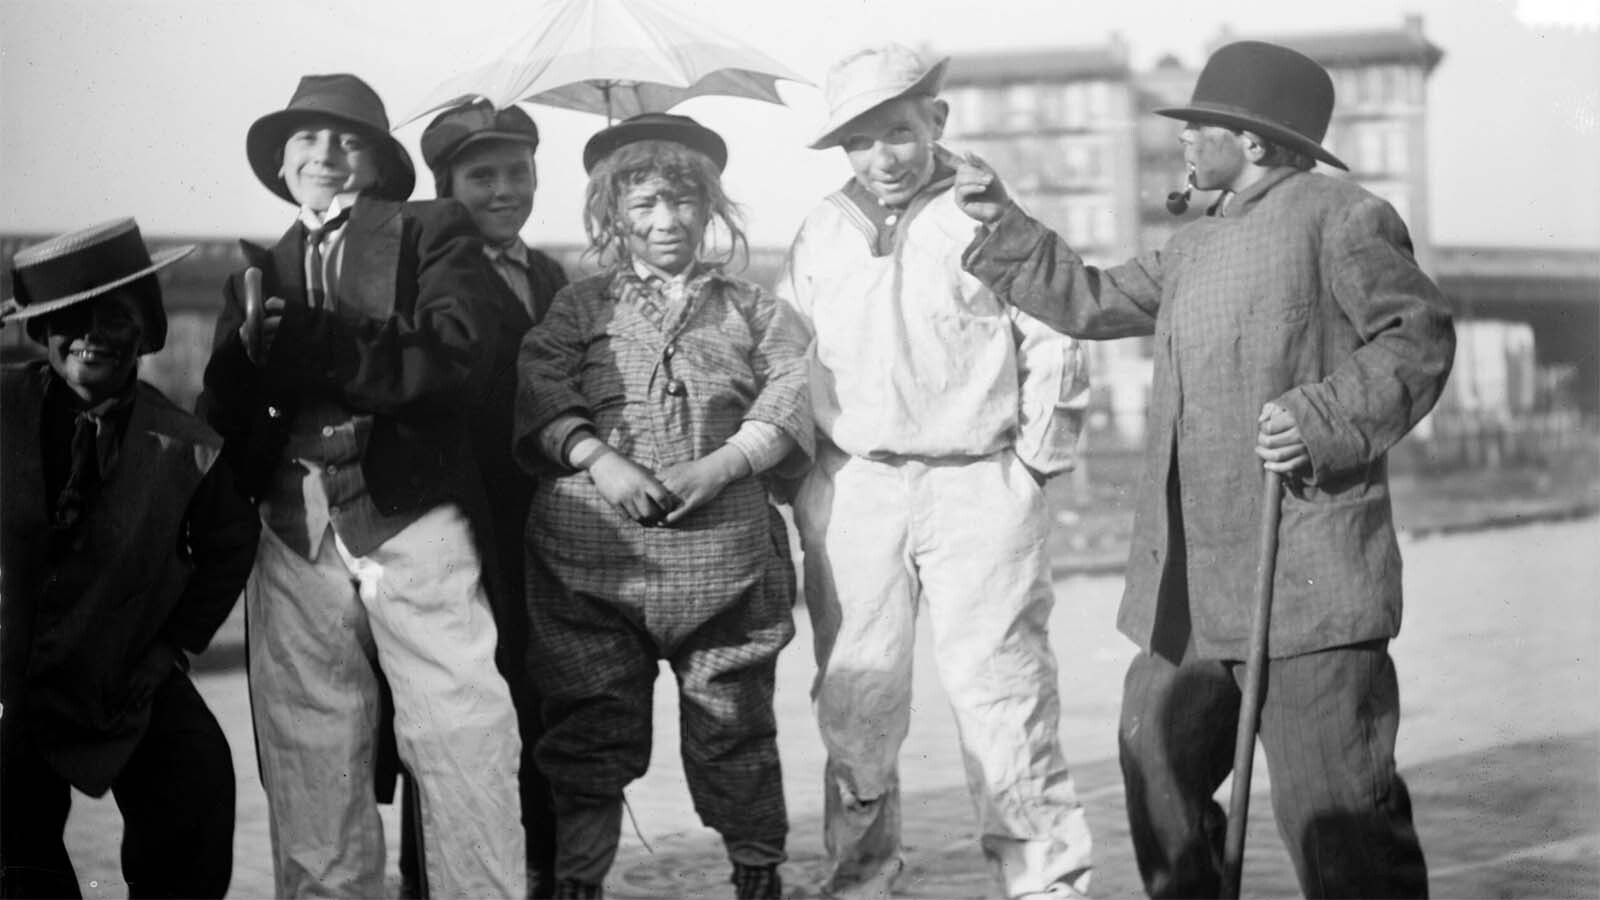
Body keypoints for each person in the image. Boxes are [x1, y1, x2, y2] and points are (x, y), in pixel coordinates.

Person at [955, 41, 1453, 899]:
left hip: (1306, 584)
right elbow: (1090, 298)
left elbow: (1418, 336)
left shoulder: (1343, 217)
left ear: (1254, 142)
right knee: (1155, 767)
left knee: (1340, 819)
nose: (1185, 142)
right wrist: (1003, 220)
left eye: (1201, 127)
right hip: (1185, 593)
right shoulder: (1192, 246)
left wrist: (1321, 417)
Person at [777, 43, 1094, 900]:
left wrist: (1034, 464)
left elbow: (1057, 339)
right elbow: (789, 356)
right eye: (862, 141)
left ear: (937, 123)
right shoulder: (817, 231)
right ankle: (862, 882)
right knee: (856, 701)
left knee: (1005, 694)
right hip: (856, 486)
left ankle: (1045, 883)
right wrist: (806, 477)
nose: (884, 158)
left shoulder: (987, 215)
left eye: (901, 133)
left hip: (978, 480)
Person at [195, 73, 525, 897]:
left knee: (461, 733)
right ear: (280, 162)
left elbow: (456, 356)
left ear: (379, 165)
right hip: (294, 525)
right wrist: (238, 365)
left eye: (348, 141)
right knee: (309, 748)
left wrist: (319, 341)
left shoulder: (429, 230)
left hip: (411, 516)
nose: (326, 155)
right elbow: (225, 410)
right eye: (306, 139)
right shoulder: (264, 262)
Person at [513, 113, 812, 900]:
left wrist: (723, 465)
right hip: (590, 563)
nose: (664, 222)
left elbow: (790, 385)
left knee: (735, 722)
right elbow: (541, 382)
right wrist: (598, 459)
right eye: (642, 205)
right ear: (613, 216)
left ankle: (757, 869)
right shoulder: (578, 309)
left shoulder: (752, 307)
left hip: (727, 563)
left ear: (710, 208)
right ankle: (579, 879)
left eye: (681, 202)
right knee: (587, 720)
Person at [0, 218, 260, 898]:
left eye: (114, 317)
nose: (92, 335)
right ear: (41, 332)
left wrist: (168, 649)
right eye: (70, 318)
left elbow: (232, 544)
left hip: (117, 667)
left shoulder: (189, 447)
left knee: (197, 772)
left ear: (146, 330)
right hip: (9, 671)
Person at [416, 97, 569, 898]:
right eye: (482, 176)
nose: (505, 189)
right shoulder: (429, 272)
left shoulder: (551, 274)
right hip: (462, 523)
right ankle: (435, 877)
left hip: (544, 528)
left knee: (544, 701)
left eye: (519, 171)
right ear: (445, 186)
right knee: (457, 710)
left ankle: (539, 872)